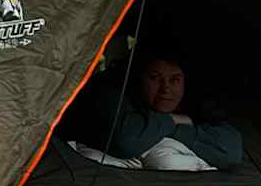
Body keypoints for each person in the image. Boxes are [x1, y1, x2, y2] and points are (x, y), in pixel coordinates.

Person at [79, 50, 244, 171]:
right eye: (155, 78)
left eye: (174, 80)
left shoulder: (198, 104)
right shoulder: (114, 95)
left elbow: (230, 151)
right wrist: (174, 120)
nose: (165, 88)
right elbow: (126, 141)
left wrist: (153, 128)